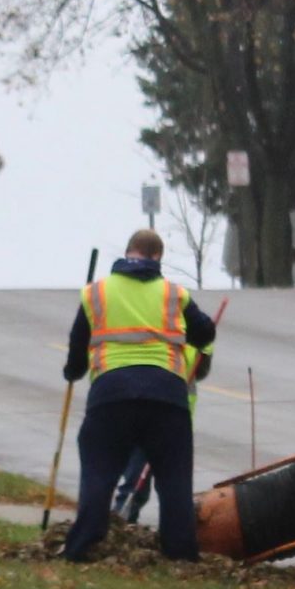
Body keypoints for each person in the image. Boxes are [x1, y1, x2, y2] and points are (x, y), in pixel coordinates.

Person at [61, 230, 218, 561]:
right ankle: (180, 552)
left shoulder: (96, 293)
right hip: (167, 396)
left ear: (127, 252)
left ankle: (83, 544)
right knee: (174, 479)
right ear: (158, 257)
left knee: (99, 471)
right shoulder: (174, 294)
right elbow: (205, 332)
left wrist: (73, 372)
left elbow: (77, 348)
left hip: (111, 394)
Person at [112, 338, 212, 525]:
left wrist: (202, 350)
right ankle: (119, 530)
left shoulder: (193, 329)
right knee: (137, 485)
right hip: (147, 415)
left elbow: (201, 370)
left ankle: (175, 541)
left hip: (174, 419)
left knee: (173, 490)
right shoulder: (154, 325)